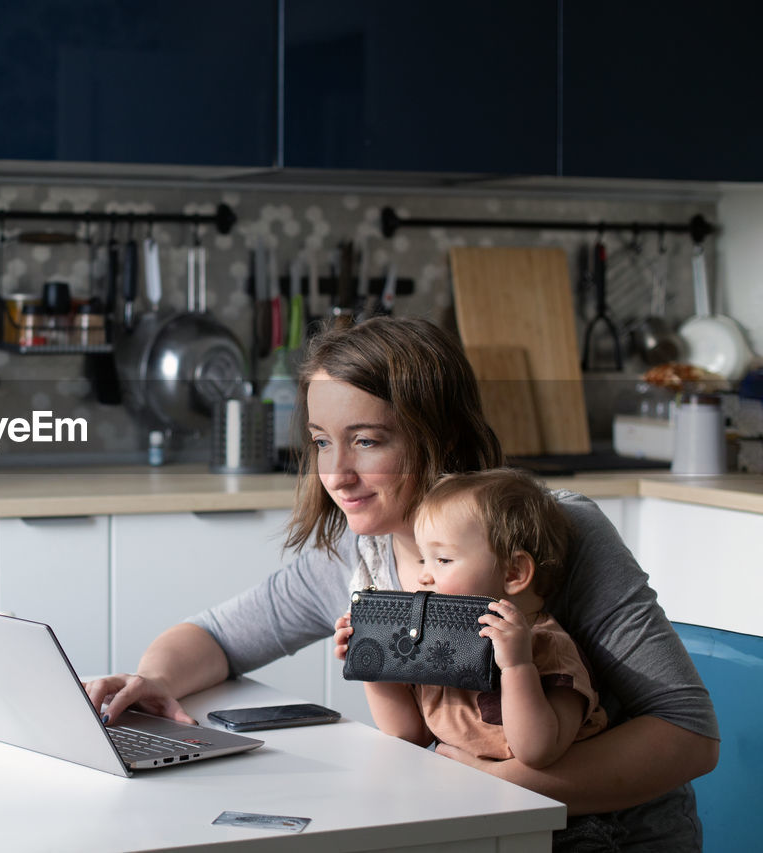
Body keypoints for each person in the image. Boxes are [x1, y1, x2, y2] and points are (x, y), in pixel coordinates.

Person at [86, 316, 718, 851]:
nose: (337, 474)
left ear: (437, 437)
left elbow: (689, 736)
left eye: (367, 441)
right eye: (320, 442)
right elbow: (216, 637)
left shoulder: (555, 530)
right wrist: (157, 679)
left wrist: (490, 783)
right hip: (468, 819)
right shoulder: (356, 554)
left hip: (610, 833)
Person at [348, 468, 607, 771]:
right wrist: (370, 663)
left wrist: (516, 667)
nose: (424, 575)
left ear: (514, 573)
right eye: (423, 559)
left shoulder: (549, 648)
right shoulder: (442, 644)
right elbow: (408, 734)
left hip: (555, 814)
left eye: (442, 559)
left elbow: (537, 752)